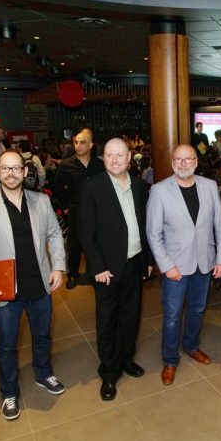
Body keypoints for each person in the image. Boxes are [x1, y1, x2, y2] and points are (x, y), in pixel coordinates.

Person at [0, 150, 67, 420]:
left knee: (42, 335)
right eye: (5, 168)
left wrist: (57, 266)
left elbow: (55, 235)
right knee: (7, 344)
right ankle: (9, 392)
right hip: (3, 290)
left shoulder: (41, 201)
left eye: (16, 168)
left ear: (24, 172)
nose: (11, 173)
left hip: (39, 284)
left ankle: (43, 374)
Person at [77, 138, 153, 401]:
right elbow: (86, 233)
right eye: (109, 155)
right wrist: (96, 267)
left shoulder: (140, 186)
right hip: (106, 269)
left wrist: (147, 261)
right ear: (103, 158)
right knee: (107, 320)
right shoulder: (92, 187)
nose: (114, 160)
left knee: (131, 316)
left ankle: (127, 359)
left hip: (134, 263)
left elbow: (145, 227)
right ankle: (109, 372)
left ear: (129, 157)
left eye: (119, 155)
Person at [146, 144, 221, 385]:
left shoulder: (210, 186)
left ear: (195, 161)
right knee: (172, 316)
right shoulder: (160, 191)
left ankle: (191, 346)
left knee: (197, 309)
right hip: (175, 267)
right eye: (178, 160)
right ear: (172, 162)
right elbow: (153, 233)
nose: (183, 164)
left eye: (188, 159)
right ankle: (170, 360)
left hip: (205, 262)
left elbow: (219, 226)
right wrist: (166, 265)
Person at [54, 128, 105, 289]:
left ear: (90, 145)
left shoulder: (99, 164)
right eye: (75, 142)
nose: (77, 145)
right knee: (75, 245)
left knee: (97, 243)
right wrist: (65, 206)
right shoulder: (67, 164)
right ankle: (73, 275)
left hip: (97, 211)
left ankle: (95, 272)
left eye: (82, 142)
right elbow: (57, 188)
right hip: (76, 210)